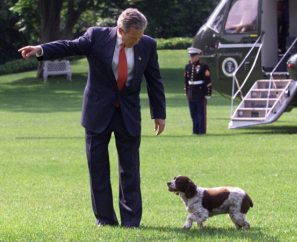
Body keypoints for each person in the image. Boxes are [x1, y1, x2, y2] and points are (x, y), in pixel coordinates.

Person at [18, 8, 166, 228]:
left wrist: (159, 114)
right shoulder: (96, 36)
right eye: (133, 37)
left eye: (140, 36)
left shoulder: (147, 44)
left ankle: (131, 221)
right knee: (97, 169)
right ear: (120, 30)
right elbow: (69, 46)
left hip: (128, 114)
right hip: (97, 113)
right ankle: (105, 219)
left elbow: (154, 80)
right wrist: (41, 49)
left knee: (130, 169)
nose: (137, 40)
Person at [184, 47, 212, 135]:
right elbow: (186, 81)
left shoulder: (204, 67)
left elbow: (208, 81)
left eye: (193, 56)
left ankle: (202, 131)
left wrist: (208, 93)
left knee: (201, 114)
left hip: (200, 93)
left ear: (198, 56)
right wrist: (186, 92)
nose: (192, 58)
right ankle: (195, 131)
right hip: (191, 93)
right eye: (190, 56)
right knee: (193, 114)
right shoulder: (187, 67)